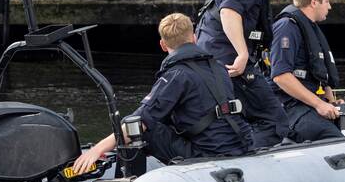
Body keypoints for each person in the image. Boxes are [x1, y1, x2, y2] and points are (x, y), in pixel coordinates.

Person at [73, 13, 253, 173]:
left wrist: (96, 150)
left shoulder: (176, 75)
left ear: (163, 45)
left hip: (207, 153)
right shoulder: (219, 67)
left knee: (140, 128)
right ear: (195, 38)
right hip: (240, 145)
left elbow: (139, 121)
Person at [195, 0, 290, 148]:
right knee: (274, 121)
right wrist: (243, 53)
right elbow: (228, 11)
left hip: (213, 61)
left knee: (236, 118)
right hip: (231, 65)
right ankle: (243, 163)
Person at [268, 0, 345, 142]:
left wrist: (331, 102)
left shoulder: (310, 29)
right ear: (314, 2)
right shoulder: (287, 28)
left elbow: (318, 73)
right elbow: (281, 76)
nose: (330, 7)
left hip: (312, 105)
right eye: (327, 1)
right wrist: (319, 105)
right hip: (292, 109)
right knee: (336, 141)